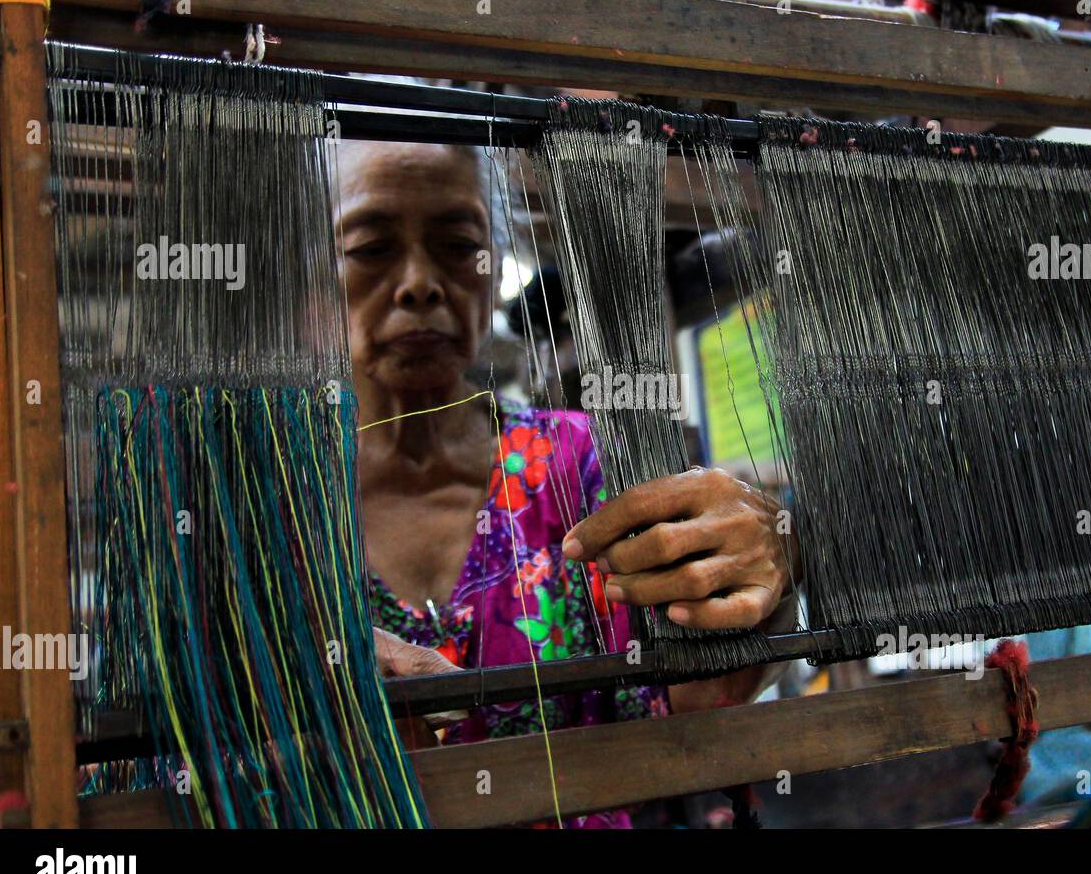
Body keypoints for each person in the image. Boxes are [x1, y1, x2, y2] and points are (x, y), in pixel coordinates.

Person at [335, 140, 799, 827]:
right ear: (316, 271)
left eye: (459, 246)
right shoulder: (258, 492)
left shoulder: (575, 459)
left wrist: (774, 569)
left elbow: (696, 698)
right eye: (372, 248)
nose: (419, 284)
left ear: (494, 269)